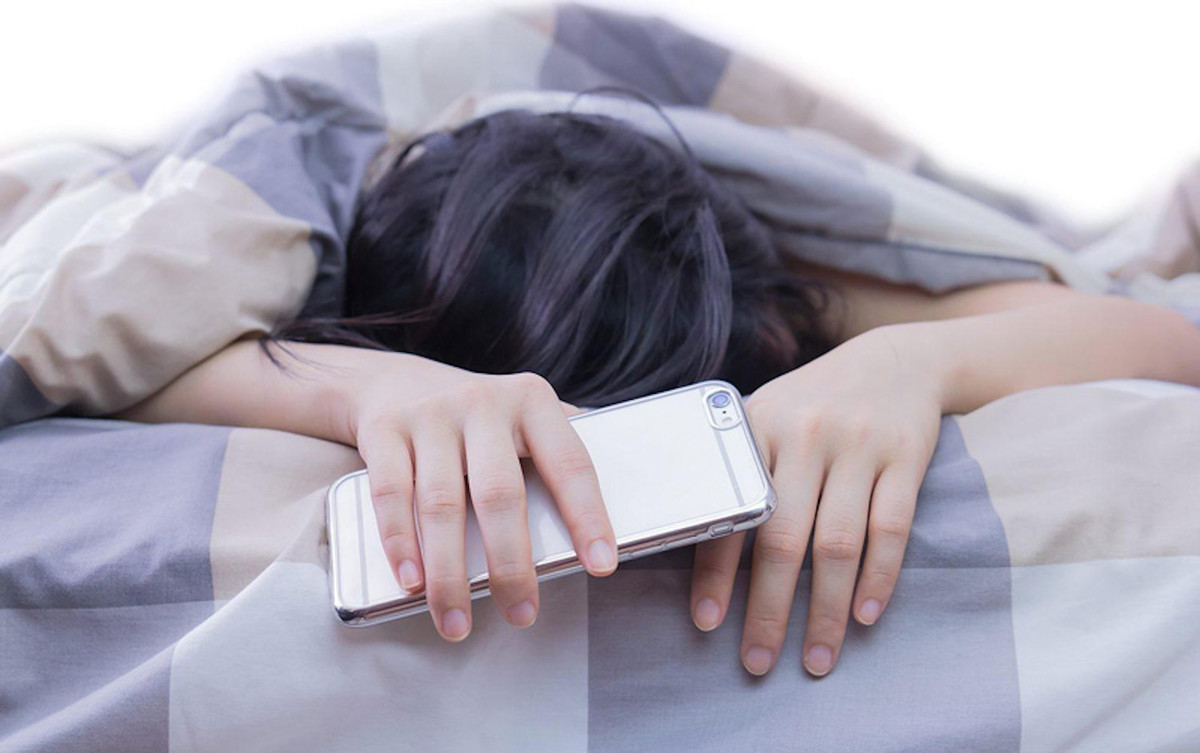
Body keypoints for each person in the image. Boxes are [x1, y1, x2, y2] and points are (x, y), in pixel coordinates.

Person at [116, 107, 1200, 679]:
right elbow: (92, 354)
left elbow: (1165, 335)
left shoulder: (757, 286)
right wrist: (358, 386)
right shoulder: (373, 261)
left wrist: (913, 361)